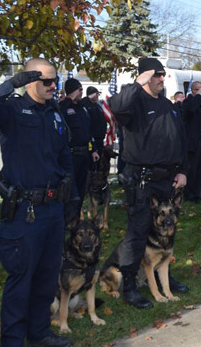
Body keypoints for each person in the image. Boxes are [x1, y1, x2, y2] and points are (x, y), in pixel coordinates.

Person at [0, 58, 76, 347]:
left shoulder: (55, 112)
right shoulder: (13, 109)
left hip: (54, 208)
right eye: (47, 81)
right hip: (25, 212)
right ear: (29, 80)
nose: (54, 86)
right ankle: (14, 340)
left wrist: (73, 197)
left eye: (56, 81)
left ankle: (39, 333)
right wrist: (9, 85)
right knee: (21, 280)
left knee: (46, 277)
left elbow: (63, 155)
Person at [108, 57, 188, 309]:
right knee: (138, 232)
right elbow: (116, 107)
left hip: (166, 179)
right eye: (156, 75)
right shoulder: (133, 103)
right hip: (141, 180)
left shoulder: (167, 105)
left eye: (163, 75)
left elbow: (180, 140)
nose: (162, 79)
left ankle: (163, 274)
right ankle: (130, 284)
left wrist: (183, 170)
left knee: (163, 230)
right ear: (144, 76)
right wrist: (136, 83)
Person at [60, 78, 99, 214]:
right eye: (79, 89)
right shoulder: (64, 107)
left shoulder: (82, 108)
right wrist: (69, 98)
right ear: (72, 91)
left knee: (82, 187)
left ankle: (76, 215)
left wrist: (94, 149)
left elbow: (89, 130)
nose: (82, 92)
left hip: (84, 154)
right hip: (71, 154)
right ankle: (67, 216)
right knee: (70, 187)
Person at [183, 81, 201, 203]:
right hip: (192, 141)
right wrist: (198, 96)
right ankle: (189, 195)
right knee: (192, 170)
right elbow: (190, 110)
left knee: (200, 169)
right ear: (194, 90)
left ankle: (197, 194)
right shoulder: (188, 102)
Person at [81, 86, 108, 159]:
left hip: (100, 137)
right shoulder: (85, 104)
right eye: (96, 94)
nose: (97, 96)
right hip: (92, 137)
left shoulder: (97, 105)